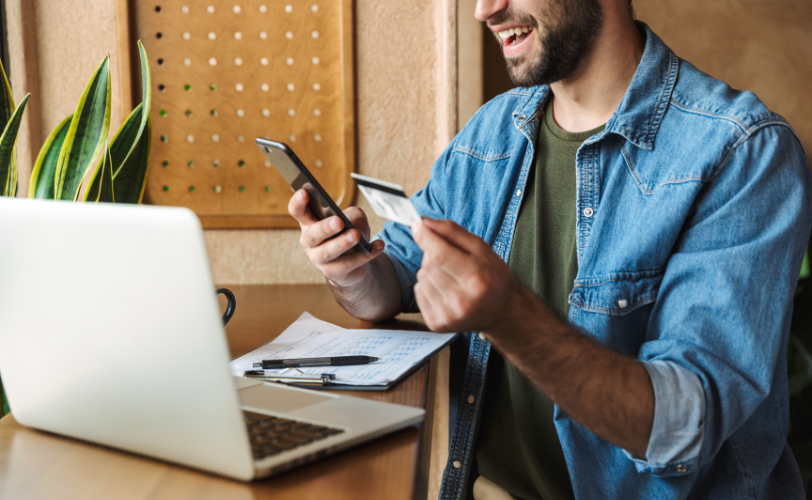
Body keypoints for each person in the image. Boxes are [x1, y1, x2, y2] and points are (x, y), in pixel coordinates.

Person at [288, 0, 812, 498]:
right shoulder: (494, 130)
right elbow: (397, 280)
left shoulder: (744, 153)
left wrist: (509, 315)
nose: (485, 10)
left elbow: (685, 426)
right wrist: (354, 270)